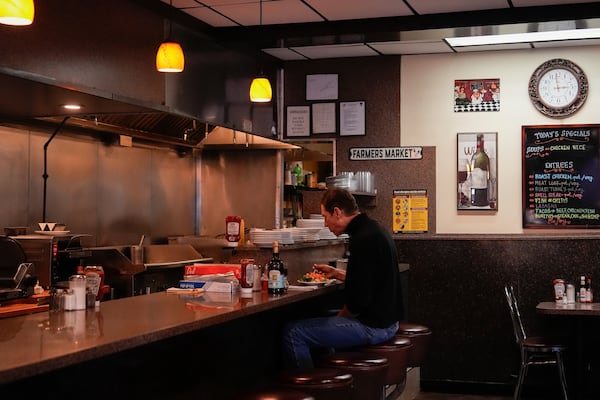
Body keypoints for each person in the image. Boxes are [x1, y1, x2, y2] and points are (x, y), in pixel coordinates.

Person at [282, 188, 404, 369]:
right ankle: (333, 376)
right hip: (389, 321)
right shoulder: (375, 229)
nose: (325, 224)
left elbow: (357, 303)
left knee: (293, 332)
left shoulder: (362, 239)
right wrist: (337, 274)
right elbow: (372, 279)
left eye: (325, 217)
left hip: (374, 326)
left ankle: (311, 390)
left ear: (337, 212)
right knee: (323, 319)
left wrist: (340, 319)